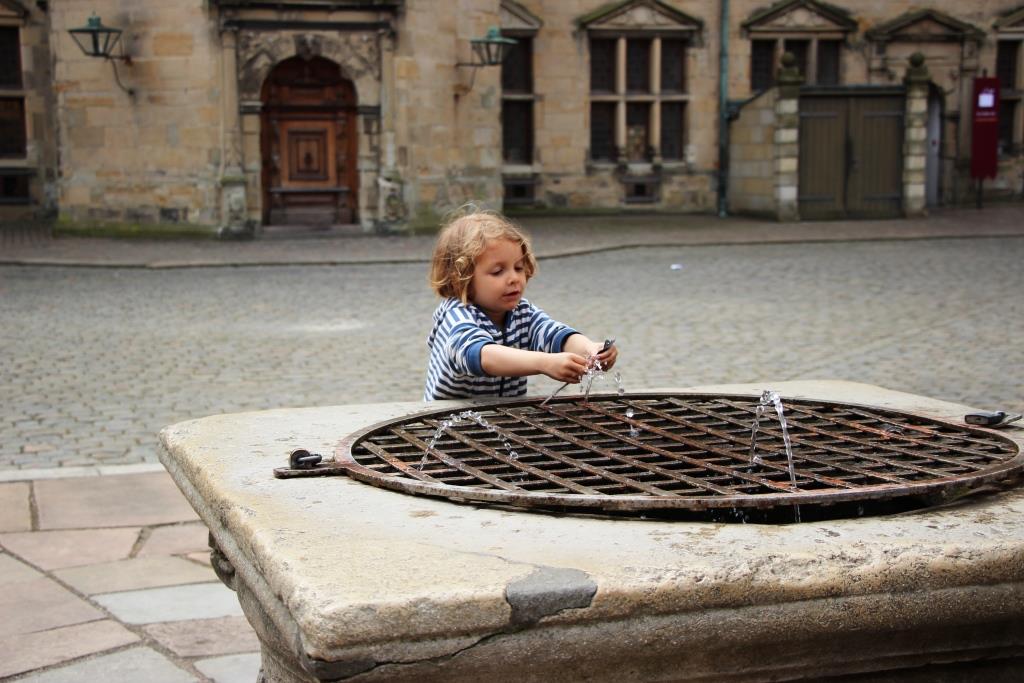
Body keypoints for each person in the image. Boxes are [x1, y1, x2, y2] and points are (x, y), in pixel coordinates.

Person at [424, 208, 617, 401]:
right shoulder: (456, 315)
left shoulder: (521, 312)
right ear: (461, 278)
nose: (514, 278)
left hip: (500, 418)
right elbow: (480, 355)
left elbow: (553, 333)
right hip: (446, 419)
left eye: (518, 268)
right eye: (498, 271)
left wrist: (591, 350)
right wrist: (544, 363)